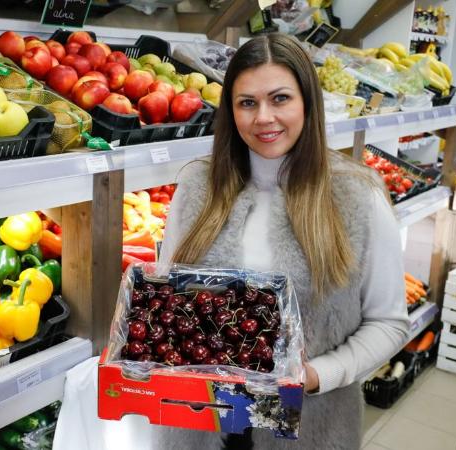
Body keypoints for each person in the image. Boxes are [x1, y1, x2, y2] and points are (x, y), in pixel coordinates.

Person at [153, 33, 411, 449]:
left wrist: (317, 375)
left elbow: (388, 322)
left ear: (308, 102)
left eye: (280, 99)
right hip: (200, 425)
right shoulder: (197, 187)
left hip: (310, 427)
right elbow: (169, 296)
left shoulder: (356, 197)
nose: (264, 118)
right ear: (231, 110)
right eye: (247, 103)